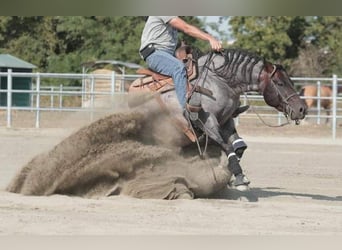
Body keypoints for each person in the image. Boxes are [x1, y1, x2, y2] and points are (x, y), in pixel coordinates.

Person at [139, 16, 222, 112]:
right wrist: (210, 38)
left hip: (166, 54)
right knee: (178, 68)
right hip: (154, 53)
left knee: (196, 66)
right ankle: (185, 110)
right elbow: (186, 28)